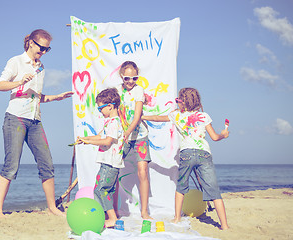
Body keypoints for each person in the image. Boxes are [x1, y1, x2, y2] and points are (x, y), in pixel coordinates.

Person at [0, 29, 74, 218]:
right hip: (15, 119)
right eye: (42, 48)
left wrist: (56, 97)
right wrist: (19, 81)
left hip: (35, 121)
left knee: (47, 164)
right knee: (11, 166)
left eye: (47, 49)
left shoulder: (41, 68)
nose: (44, 52)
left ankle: (52, 208)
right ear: (30, 42)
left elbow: (36, 97)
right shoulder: (16, 62)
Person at [142, 87, 229, 230]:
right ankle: (224, 226)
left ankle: (177, 218)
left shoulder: (176, 115)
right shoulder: (204, 116)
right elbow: (214, 137)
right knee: (214, 191)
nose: (176, 103)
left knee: (181, 187)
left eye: (178, 100)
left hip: (186, 153)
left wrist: (142, 116)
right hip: (204, 154)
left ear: (183, 102)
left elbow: (157, 118)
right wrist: (224, 134)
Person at [76, 88, 124, 227]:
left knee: (101, 189)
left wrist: (89, 142)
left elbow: (107, 141)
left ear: (110, 106)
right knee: (102, 189)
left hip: (111, 163)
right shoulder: (109, 122)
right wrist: (85, 139)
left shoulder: (114, 122)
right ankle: (104, 215)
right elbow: (99, 136)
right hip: (107, 162)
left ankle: (113, 218)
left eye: (100, 108)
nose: (100, 111)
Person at [116, 61, 152, 220]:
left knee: (143, 172)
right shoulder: (116, 91)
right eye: (127, 79)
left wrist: (127, 133)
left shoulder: (139, 90)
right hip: (121, 137)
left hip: (139, 137)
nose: (131, 82)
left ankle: (144, 212)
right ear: (121, 76)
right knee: (114, 172)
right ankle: (113, 211)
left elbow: (137, 117)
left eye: (134, 78)